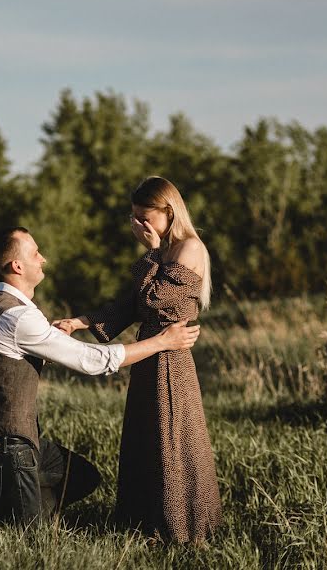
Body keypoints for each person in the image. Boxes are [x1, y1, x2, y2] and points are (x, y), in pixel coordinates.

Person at [0, 226, 200, 531]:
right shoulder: (18, 317)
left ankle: (25, 511)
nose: (43, 259)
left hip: (8, 440)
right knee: (19, 537)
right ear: (17, 266)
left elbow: (8, 354)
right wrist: (162, 342)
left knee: (81, 477)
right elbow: (95, 362)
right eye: (36, 253)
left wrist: (58, 335)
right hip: (5, 448)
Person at [53, 176, 223, 543]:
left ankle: (181, 528)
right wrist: (79, 322)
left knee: (171, 437)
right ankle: (144, 521)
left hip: (170, 358)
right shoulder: (163, 252)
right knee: (146, 436)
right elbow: (130, 305)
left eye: (144, 218)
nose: (138, 225)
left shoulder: (189, 248)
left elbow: (155, 300)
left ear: (169, 212)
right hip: (152, 350)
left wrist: (151, 251)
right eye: (134, 218)